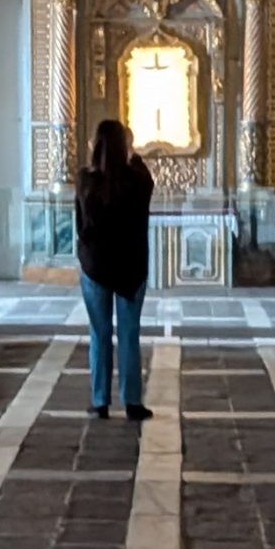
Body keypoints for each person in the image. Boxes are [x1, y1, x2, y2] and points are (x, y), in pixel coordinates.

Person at [75, 117, 155, 419]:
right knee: (129, 333)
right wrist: (131, 152)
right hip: (131, 267)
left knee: (99, 333)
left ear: (95, 146)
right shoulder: (137, 180)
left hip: (96, 267)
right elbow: (145, 180)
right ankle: (132, 401)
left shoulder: (86, 180)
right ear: (125, 145)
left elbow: (81, 226)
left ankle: (100, 401)